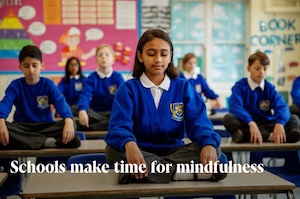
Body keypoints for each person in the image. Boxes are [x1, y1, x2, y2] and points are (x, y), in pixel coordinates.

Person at [104, 29, 225, 184]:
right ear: (140, 56)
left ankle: (147, 172)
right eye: (151, 53)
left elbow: (200, 123)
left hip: (175, 151)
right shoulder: (128, 89)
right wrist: (129, 144)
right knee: (113, 150)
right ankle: (179, 173)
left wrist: (208, 143)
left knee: (214, 147)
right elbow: (119, 126)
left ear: (170, 56)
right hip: (140, 151)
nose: (158, 59)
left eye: (164, 54)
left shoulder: (182, 87)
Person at [0, 45, 81, 150]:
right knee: (3, 128)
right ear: (20, 67)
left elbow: (60, 102)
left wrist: (69, 119)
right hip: (22, 127)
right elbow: (5, 103)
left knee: (72, 129)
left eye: (34, 65)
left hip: (46, 127)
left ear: (42, 66)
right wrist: (1, 120)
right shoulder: (15, 85)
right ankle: (45, 142)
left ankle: (27, 142)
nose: (31, 70)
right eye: (26, 66)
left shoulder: (48, 84)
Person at [222, 51, 300, 144]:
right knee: (227, 119)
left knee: (294, 119)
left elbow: (282, 106)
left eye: (265, 69)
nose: (262, 72)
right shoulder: (240, 86)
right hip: (248, 123)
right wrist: (250, 123)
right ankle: (276, 137)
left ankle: (250, 136)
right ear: (248, 68)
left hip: (267, 124)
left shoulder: (269, 87)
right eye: (257, 68)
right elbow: (235, 106)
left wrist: (280, 123)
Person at [78, 44, 124, 131]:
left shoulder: (118, 77)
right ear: (96, 59)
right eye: (100, 55)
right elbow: (85, 95)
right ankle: (109, 124)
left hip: (113, 112)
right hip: (95, 114)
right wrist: (82, 110)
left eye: (107, 55)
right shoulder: (91, 78)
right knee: (84, 112)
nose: (103, 57)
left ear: (113, 59)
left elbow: (125, 96)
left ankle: (94, 127)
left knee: (123, 116)